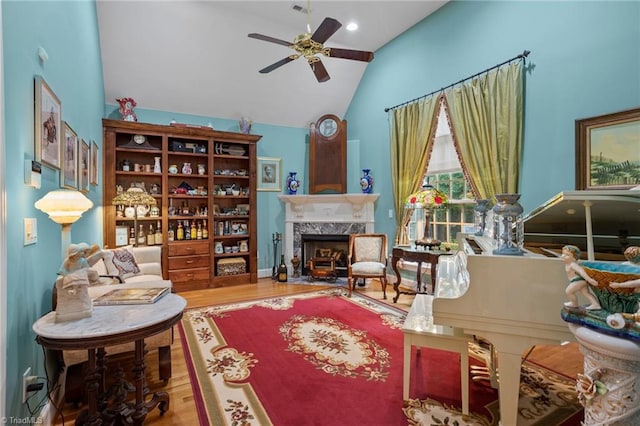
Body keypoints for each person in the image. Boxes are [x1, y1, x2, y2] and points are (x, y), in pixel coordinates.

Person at [562, 245, 601, 310]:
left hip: (578, 281)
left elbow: (581, 271)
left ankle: (574, 303)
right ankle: (595, 304)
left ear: (574, 258)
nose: (563, 256)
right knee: (586, 293)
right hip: (579, 281)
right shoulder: (568, 264)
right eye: (563, 253)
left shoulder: (573, 264)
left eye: (567, 255)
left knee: (568, 291)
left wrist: (589, 279)